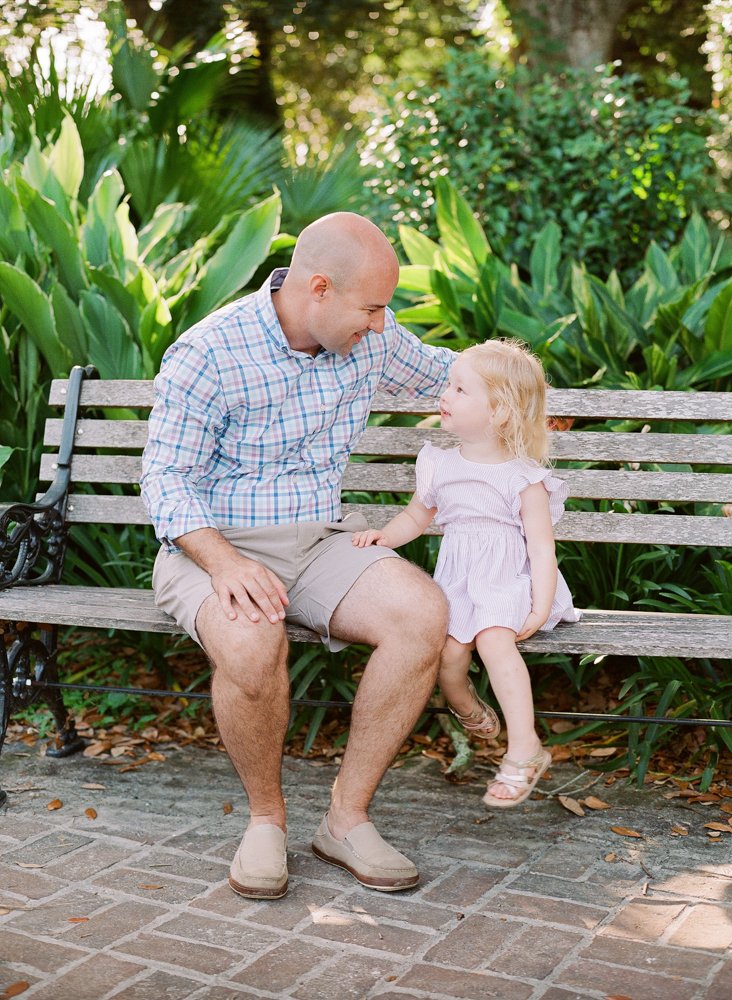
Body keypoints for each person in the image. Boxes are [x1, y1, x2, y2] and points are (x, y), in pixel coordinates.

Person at [140, 212, 454, 900]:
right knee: (253, 645)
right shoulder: (210, 351)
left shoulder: (371, 340)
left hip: (317, 543)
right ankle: (266, 821)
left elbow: (446, 375)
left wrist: (524, 392)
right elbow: (166, 480)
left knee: (420, 613)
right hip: (212, 547)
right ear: (318, 288)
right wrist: (224, 564)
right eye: (371, 308)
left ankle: (345, 819)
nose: (381, 324)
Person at [352, 339, 581, 809]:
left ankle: (525, 748)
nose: (446, 396)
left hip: (508, 581)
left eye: (460, 389)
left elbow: (540, 547)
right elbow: (417, 518)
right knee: (450, 657)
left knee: (495, 641)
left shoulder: (523, 477)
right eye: (450, 386)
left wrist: (541, 602)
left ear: (499, 412)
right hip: (459, 582)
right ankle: (468, 707)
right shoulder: (440, 463)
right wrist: (383, 536)